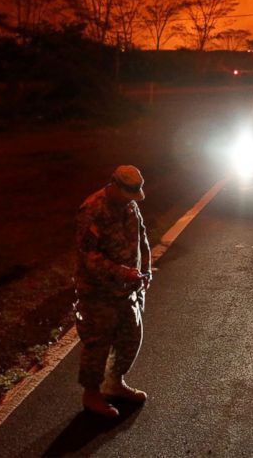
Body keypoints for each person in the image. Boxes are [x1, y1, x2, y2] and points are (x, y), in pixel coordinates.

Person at [74, 165, 152, 418]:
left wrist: (146, 270)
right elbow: (89, 257)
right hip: (98, 292)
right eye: (128, 194)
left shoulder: (130, 206)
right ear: (114, 186)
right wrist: (123, 272)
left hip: (128, 289)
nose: (132, 200)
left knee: (131, 337)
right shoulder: (93, 209)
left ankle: (114, 384)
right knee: (98, 344)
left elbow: (142, 238)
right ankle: (92, 395)